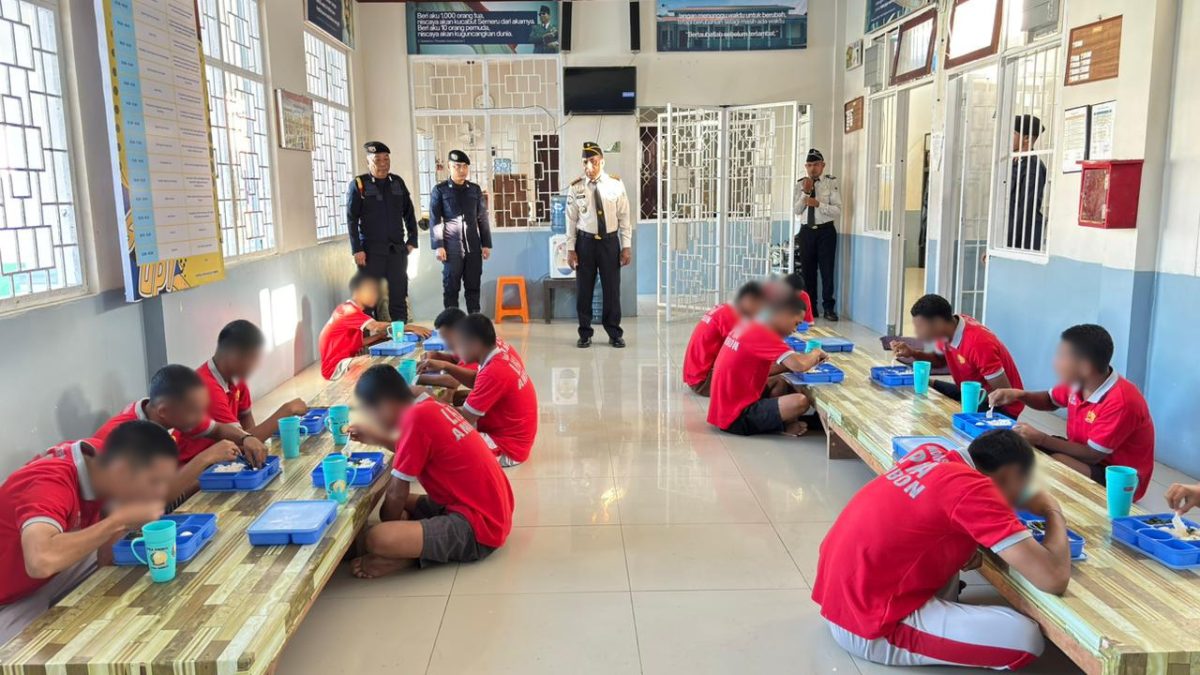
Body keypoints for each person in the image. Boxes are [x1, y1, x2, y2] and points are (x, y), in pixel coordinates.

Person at [813, 430, 1071, 669]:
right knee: (1025, 638)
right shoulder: (975, 487)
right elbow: (1053, 578)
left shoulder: (932, 455)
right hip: (867, 627)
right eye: (1022, 486)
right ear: (1010, 474)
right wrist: (1053, 511)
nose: (1020, 499)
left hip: (841, 599)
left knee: (953, 544)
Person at [0, 421, 177, 643]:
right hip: (11, 595)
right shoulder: (49, 482)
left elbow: (106, 550)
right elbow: (40, 562)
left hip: (52, 571)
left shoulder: (100, 460)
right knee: (32, 655)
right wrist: (119, 521)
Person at [346, 365, 514, 578]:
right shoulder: (427, 407)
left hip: (480, 528)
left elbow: (396, 493)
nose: (375, 422)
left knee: (377, 537)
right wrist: (377, 438)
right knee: (402, 504)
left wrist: (394, 530)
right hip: (490, 508)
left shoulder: (414, 420)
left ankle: (407, 555)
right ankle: (413, 542)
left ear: (386, 405)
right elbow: (411, 449)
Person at [989, 324, 1155, 500]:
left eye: (1062, 356)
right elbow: (1049, 400)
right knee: (1018, 444)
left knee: (1055, 465)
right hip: (1082, 453)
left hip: (1117, 477)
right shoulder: (1079, 383)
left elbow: (1093, 455)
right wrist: (1019, 395)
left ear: (1085, 366)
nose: (1055, 362)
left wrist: (1041, 438)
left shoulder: (1121, 401)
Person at [94, 365, 268, 501]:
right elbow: (151, 501)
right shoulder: (122, 439)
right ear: (163, 411)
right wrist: (206, 458)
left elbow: (218, 429)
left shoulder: (174, 414)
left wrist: (246, 437)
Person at [182, 321, 307, 464]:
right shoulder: (206, 388)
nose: (256, 366)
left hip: (224, 458)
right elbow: (244, 439)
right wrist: (286, 410)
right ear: (234, 355)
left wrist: (252, 441)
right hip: (194, 467)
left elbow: (248, 433)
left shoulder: (235, 378)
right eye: (252, 358)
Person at [706, 290, 827, 436]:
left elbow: (765, 370)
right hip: (734, 417)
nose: (795, 330)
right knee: (800, 401)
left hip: (722, 408)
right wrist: (815, 353)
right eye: (796, 323)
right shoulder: (765, 334)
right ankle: (780, 424)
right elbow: (799, 365)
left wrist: (790, 365)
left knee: (780, 382)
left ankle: (782, 423)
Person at [891, 294, 1025, 418]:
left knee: (943, 419)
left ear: (938, 323)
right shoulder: (949, 329)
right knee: (925, 383)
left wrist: (959, 409)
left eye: (920, 327)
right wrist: (912, 352)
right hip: (972, 392)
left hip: (1000, 407)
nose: (917, 333)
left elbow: (1005, 394)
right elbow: (939, 361)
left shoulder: (978, 343)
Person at [566, 142, 632, 349]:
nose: (589, 167)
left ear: (602, 162)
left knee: (611, 289)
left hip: (609, 243)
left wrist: (626, 245)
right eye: (585, 162)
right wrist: (570, 249)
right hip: (585, 244)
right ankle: (585, 333)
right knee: (584, 290)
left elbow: (624, 217)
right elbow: (571, 220)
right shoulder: (576, 187)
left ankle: (614, 332)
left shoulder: (616, 185)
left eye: (593, 162)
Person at [346, 140, 419, 322]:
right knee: (368, 300)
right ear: (368, 162)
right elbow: (352, 219)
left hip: (396, 251)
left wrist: (412, 239)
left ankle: (400, 334)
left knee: (399, 297)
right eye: (377, 159)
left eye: (386, 159)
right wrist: (357, 249)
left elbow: (409, 212)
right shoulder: (360, 185)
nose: (383, 163)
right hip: (370, 253)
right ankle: (369, 337)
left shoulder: (397, 183)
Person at [318, 272, 432, 381]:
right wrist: (412, 327)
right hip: (335, 366)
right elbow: (375, 326)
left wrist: (378, 337)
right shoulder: (349, 310)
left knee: (384, 363)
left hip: (342, 360)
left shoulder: (352, 311)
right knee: (371, 364)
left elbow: (359, 343)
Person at [457, 314, 538, 467]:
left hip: (509, 447)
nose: (458, 351)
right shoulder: (497, 355)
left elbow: (463, 421)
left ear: (475, 344)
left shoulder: (493, 372)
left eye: (461, 345)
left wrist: (431, 401)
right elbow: (477, 383)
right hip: (514, 434)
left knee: (445, 443)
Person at [430, 150, 491, 315]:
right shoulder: (440, 190)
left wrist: (486, 244)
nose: (462, 170)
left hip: (473, 245)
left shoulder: (474, 190)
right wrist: (439, 245)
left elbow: (482, 218)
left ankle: (474, 321)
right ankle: (452, 323)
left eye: (465, 166)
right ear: (449, 167)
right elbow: (435, 220)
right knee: (451, 287)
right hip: (451, 247)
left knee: (473, 286)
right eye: (457, 166)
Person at [682, 281, 766, 396]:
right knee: (764, 368)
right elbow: (745, 351)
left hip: (694, 374)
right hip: (704, 381)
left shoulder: (726, 308)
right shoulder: (733, 316)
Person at [793, 148, 841, 321]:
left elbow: (837, 211)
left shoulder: (831, 183)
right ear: (806, 167)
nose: (812, 168)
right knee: (808, 272)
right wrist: (805, 193)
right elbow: (797, 210)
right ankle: (811, 309)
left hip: (826, 232)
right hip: (806, 232)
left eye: (816, 164)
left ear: (823, 165)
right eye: (809, 165)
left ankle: (828, 309)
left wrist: (818, 204)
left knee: (827, 271)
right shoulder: (800, 184)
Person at [1008, 115, 1047, 252]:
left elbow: (1025, 209)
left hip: (1023, 240)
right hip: (1011, 234)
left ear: (1026, 138)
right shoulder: (1015, 163)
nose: (1009, 137)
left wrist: (1006, 242)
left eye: (1013, 133)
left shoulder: (1033, 167)